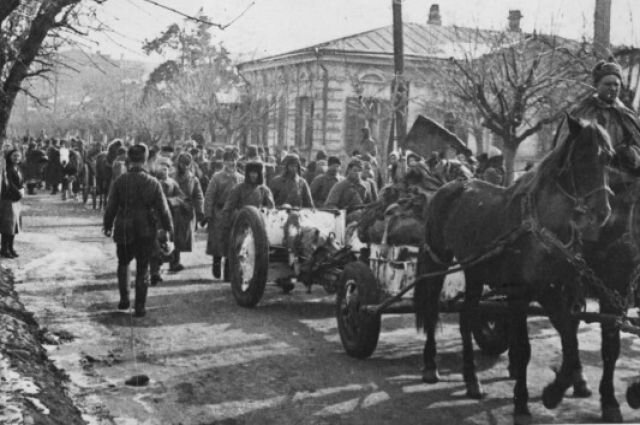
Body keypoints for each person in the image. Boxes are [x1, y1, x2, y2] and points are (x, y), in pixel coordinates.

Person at [103, 144, 173, 317]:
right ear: (144, 160)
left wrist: (107, 225)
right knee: (143, 267)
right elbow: (163, 210)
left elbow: (111, 206)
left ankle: (124, 299)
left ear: (129, 160)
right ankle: (140, 306)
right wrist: (168, 229)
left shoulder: (120, 181)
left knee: (123, 262)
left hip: (124, 227)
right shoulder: (153, 182)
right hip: (145, 229)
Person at [562, 60, 640, 174]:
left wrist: (632, 153)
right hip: (589, 175)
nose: (613, 88)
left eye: (616, 84)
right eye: (608, 84)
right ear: (596, 85)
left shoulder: (628, 115)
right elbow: (567, 147)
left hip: (625, 176)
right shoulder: (581, 112)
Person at [220, 161, 274, 275]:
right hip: (240, 223)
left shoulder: (264, 190)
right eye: (251, 173)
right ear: (247, 174)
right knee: (236, 248)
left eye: (256, 173)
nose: (253, 175)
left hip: (259, 225)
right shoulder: (238, 189)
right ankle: (229, 273)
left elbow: (271, 208)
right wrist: (228, 223)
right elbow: (228, 207)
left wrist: (263, 213)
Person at [203, 150, 243, 279]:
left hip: (234, 214)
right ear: (224, 162)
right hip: (219, 213)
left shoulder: (241, 178)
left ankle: (228, 272)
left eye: (234, 159)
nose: (232, 163)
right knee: (218, 241)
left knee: (232, 243)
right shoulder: (217, 177)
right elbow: (209, 196)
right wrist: (208, 214)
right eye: (229, 160)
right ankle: (216, 263)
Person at [149, 157, 184, 286]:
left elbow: (181, 197)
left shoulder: (173, 183)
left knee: (170, 242)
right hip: (155, 217)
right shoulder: (152, 183)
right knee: (155, 245)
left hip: (170, 216)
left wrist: (171, 202)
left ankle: (173, 263)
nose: (164, 171)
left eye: (166, 169)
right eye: (161, 168)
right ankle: (155, 272)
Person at [170, 152, 205, 272]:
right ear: (178, 163)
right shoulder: (171, 177)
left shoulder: (193, 179)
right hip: (172, 210)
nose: (184, 166)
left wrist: (201, 213)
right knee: (171, 236)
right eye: (182, 163)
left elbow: (198, 195)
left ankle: (176, 260)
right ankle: (173, 262)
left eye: (187, 164)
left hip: (186, 212)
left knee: (181, 237)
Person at [0, 149, 24, 258]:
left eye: (18, 156)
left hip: (16, 200)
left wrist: (22, 188)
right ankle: (4, 249)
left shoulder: (17, 168)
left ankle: (10, 247)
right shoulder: (8, 169)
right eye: (14, 156)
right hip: (9, 200)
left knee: (14, 226)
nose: (17, 158)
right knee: (8, 226)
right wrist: (18, 192)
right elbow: (9, 184)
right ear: (10, 157)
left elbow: (20, 182)